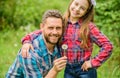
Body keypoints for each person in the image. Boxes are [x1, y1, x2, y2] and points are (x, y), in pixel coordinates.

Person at [21, 0, 113, 78]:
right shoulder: (63, 22)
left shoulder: (89, 27)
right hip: (68, 69)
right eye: (76, 4)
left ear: (86, 11)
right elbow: (42, 31)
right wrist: (27, 41)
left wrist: (93, 62)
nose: (77, 9)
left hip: (85, 70)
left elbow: (107, 45)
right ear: (71, 2)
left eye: (82, 8)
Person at [6, 10, 67, 78]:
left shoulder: (58, 45)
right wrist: (55, 70)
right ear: (42, 27)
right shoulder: (30, 54)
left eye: (58, 28)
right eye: (50, 28)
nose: (55, 32)